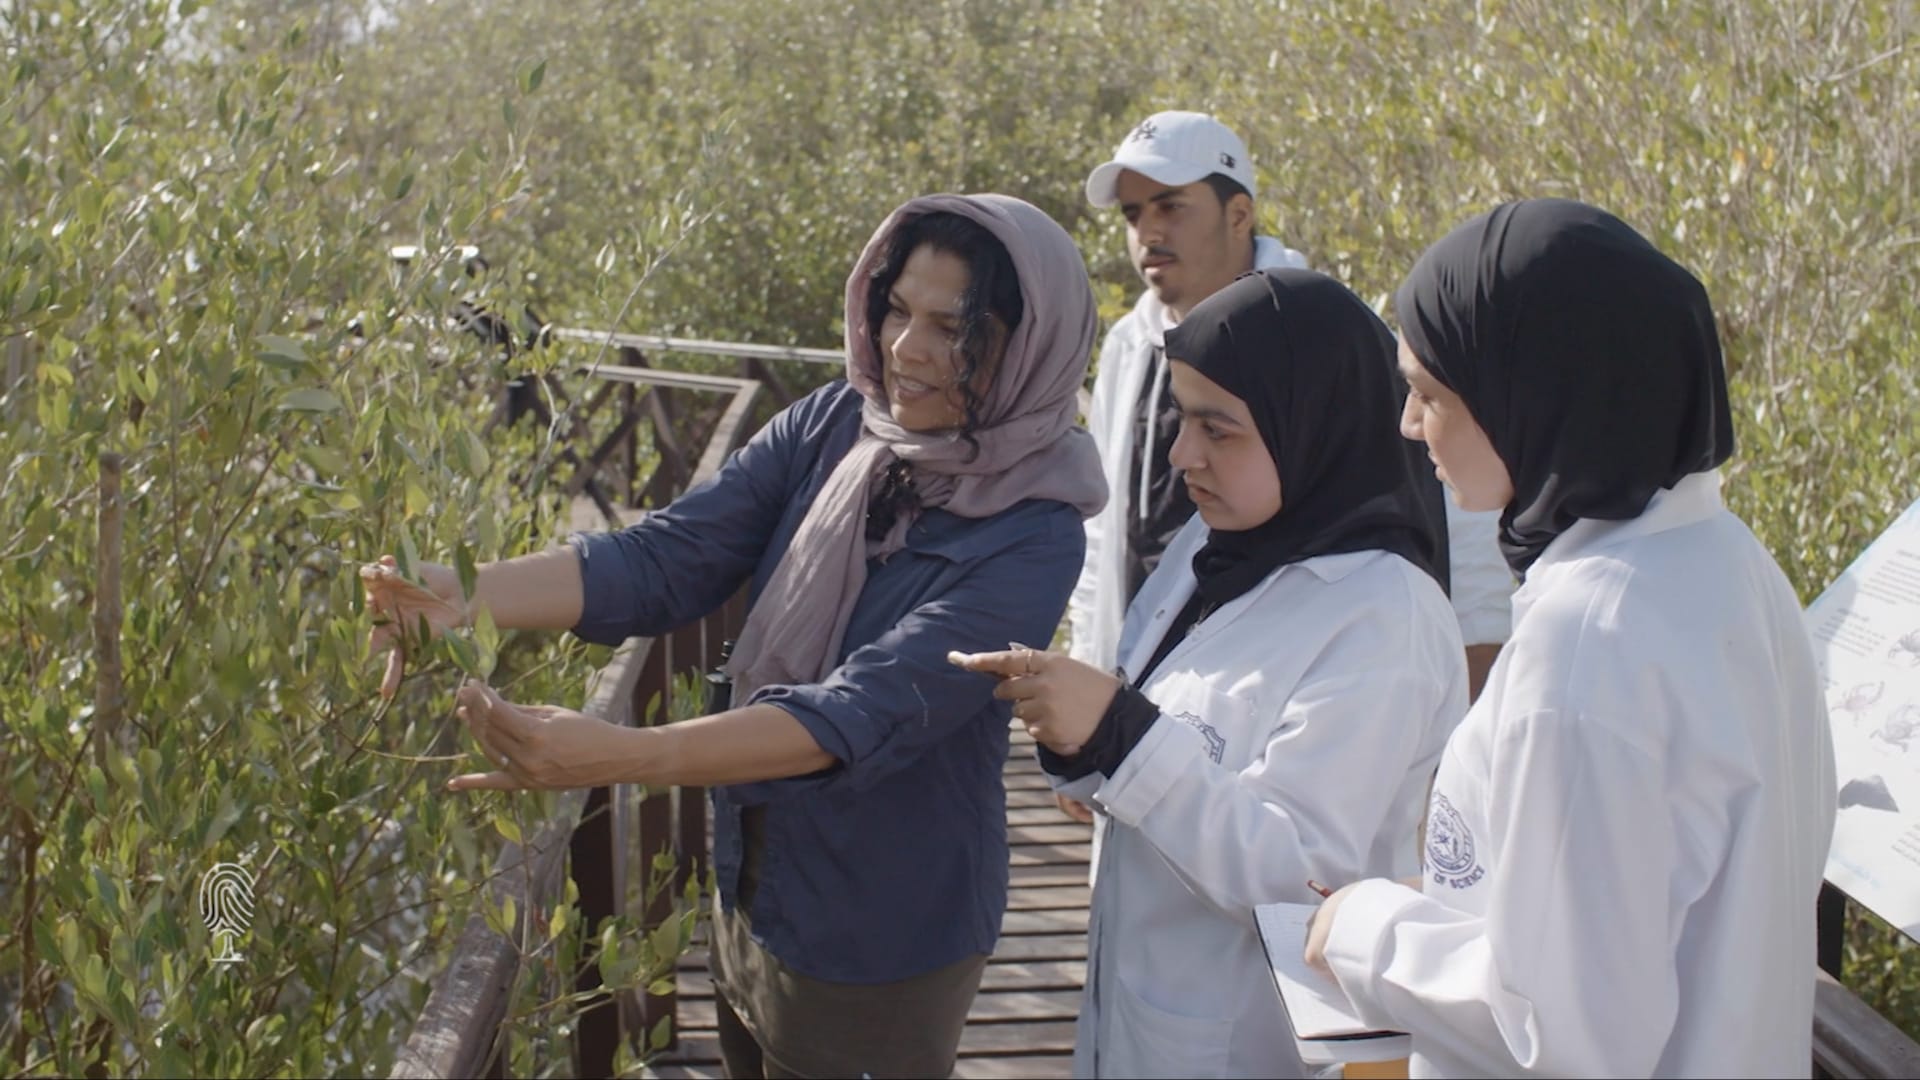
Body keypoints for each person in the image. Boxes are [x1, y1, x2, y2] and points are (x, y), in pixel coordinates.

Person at [360, 194, 1107, 1079]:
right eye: (898, 309)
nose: (907, 348)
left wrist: (618, 756)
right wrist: (463, 596)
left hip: (878, 930)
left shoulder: (1035, 531)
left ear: (1027, 347)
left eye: (956, 327)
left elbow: (858, 711)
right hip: (754, 877)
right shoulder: (837, 423)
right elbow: (668, 557)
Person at [1304, 199, 1839, 1077]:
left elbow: (1558, 1037)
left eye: (1430, 393)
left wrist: (1362, 932)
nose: (1409, 425)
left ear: (1535, 393)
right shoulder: (1727, 565)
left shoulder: (1588, 644)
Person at [953, 268, 1469, 1078]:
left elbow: (1306, 877)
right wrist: (1081, 737)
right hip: (1138, 1019)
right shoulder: (1214, 547)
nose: (1180, 454)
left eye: (1218, 430)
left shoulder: (1383, 617)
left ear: (1315, 427)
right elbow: (1166, 733)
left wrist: (1119, 736)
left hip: (1248, 1045)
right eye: (1181, 418)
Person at [1067, 109, 1511, 721]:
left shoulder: (1328, 339)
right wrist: (1095, 682)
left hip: (1300, 703)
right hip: (1146, 689)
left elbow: (1447, 496)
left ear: (1239, 213)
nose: (1148, 231)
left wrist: (1467, 696)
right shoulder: (1128, 344)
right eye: (1133, 214)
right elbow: (1107, 527)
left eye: (1170, 206)